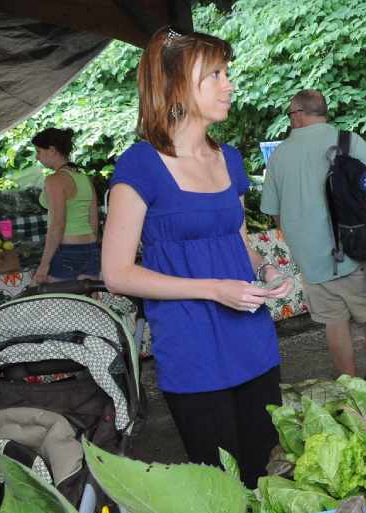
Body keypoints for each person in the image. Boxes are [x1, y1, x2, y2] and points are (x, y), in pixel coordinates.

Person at [102, 27, 291, 487]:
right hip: (192, 350)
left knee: (266, 473)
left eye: (227, 72)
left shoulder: (229, 158)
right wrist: (212, 289)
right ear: (175, 85)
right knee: (222, 486)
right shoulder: (139, 166)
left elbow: (238, 240)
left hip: (253, 342)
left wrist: (263, 269)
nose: (229, 84)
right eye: (215, 75)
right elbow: (117, 273)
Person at [261, 90, 366, 395]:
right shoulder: (347, 141)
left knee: (335, 322)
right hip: (356, 247)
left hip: (311, 259)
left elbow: (273, 211)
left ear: (297, 115)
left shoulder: (279, 155)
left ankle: (349, 387)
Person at [30, 128, 101, 283]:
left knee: (61, 306)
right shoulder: (84, 179)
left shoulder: (54, 180)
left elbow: (57, 225)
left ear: (52, 150)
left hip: (67, 251)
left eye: (39, 151)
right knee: (89, 305)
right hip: (90, 248)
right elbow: (94, 221)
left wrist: (43, 265)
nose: (37, 157)